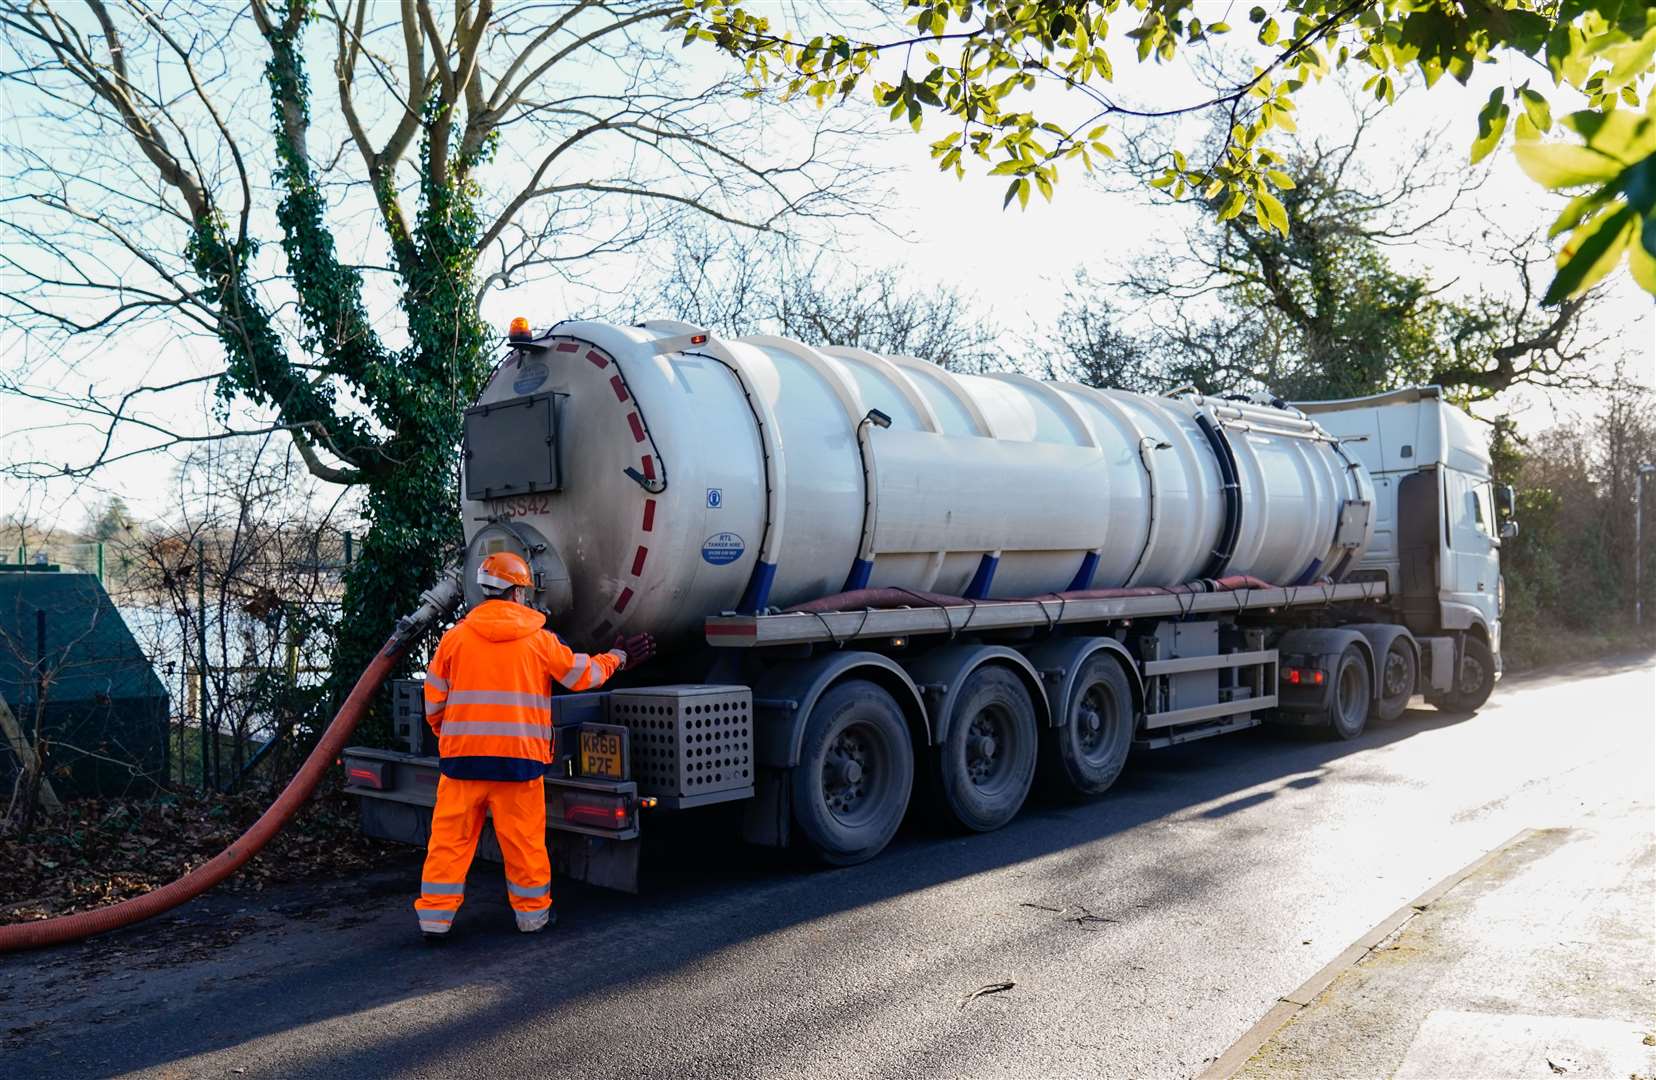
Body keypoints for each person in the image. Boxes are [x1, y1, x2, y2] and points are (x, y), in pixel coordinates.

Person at [413, 551, 654, 938]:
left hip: (462, 762)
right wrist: (617, 658)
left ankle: (434, 921)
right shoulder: (538, 642)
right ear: (517, 593)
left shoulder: (454, 640)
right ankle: (532, 917)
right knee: (523, 845)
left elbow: (434, 699)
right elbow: (583, 676)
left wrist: (449, 737)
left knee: (449, 844)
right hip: (518, 765)